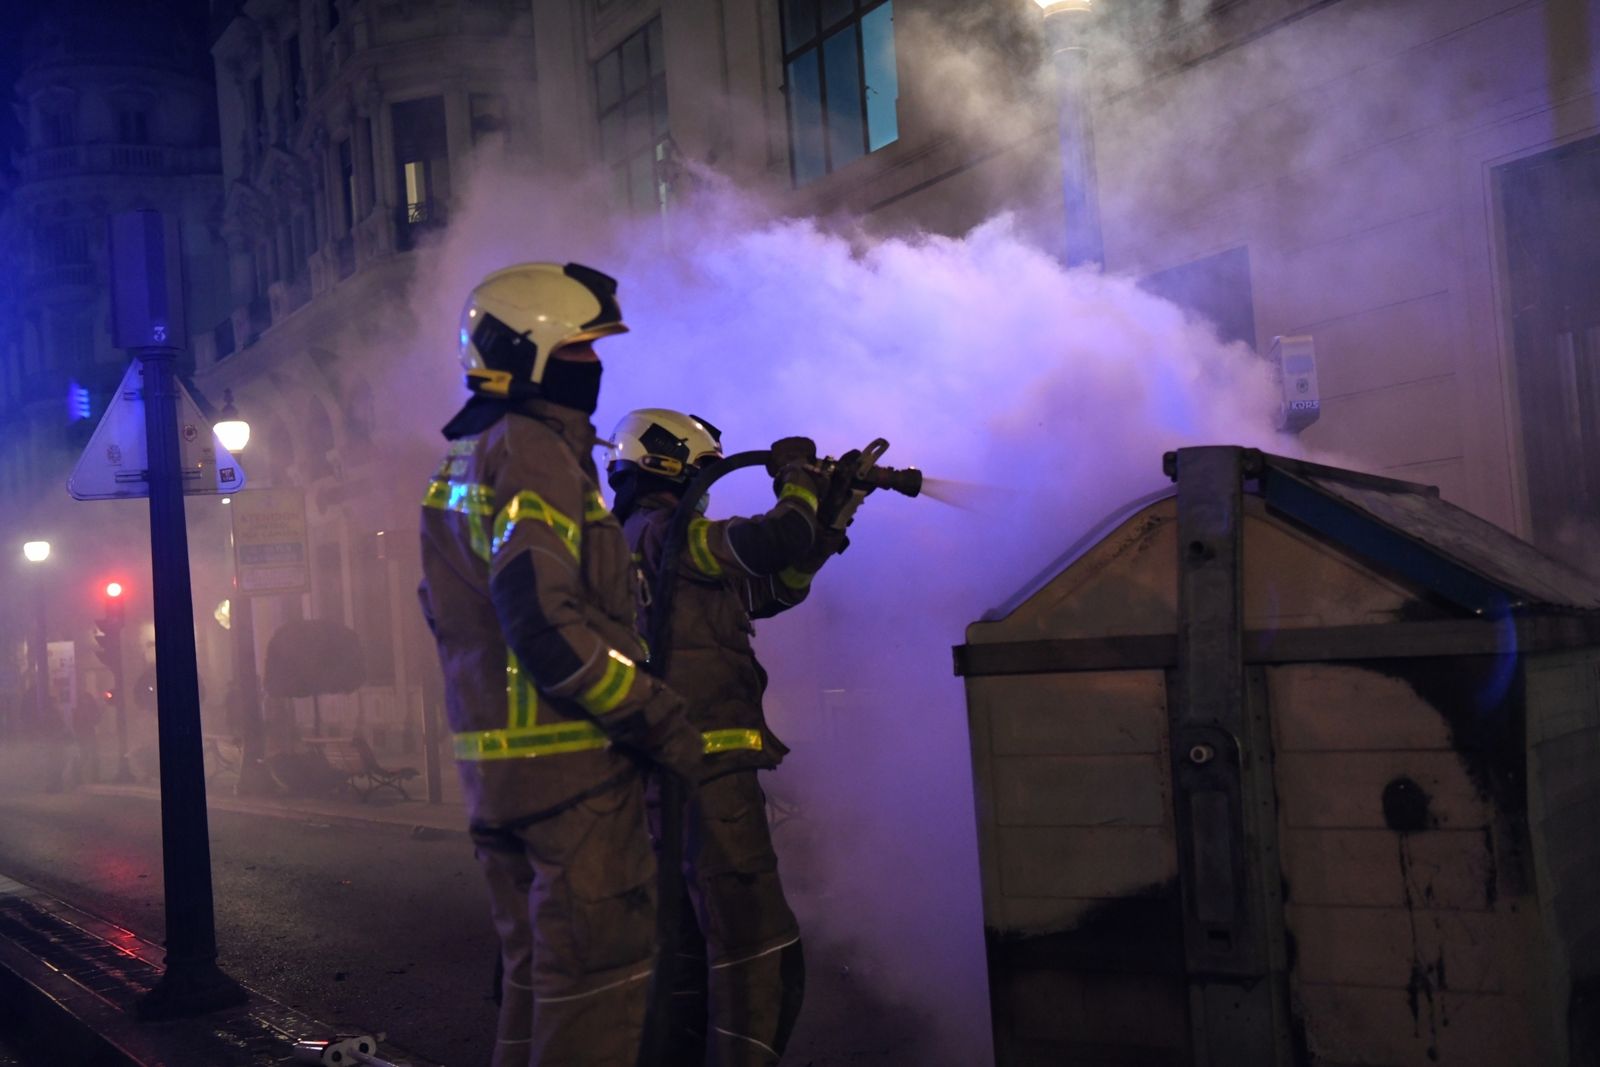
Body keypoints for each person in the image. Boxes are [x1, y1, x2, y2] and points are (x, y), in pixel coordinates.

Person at [418, 264, 704, 1067]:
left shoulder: (464, 457)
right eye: (579, 347)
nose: (594, 363)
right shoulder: (533, 453)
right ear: (530, 353)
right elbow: (542, 621)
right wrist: (653, 712)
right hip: (571, 779)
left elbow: (456, 614)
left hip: (504, 784)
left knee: (536, 995)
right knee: (594, 1003)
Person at [607, 408, 848, 1066]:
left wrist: (829, 523)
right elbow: (774, 540)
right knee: (758, 950)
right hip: (708, 774)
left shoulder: (641, 543)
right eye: (702, 474)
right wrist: (798, 478)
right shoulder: (669, 534)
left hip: (670, 775)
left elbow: (771, 591)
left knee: (689, 952)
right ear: (666, 465)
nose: (707, 489)